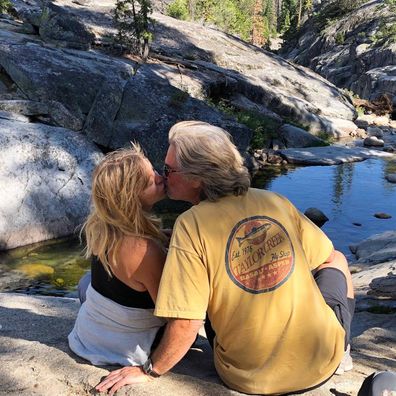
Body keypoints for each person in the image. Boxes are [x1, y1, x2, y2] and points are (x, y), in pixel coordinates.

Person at [96, 121, 380, 395]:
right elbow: (326, 256)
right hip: (321, 364)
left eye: (169, 169)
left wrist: (149, 371)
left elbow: (186, 323)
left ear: (196, 177)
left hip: (246, 377)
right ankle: (342, 352)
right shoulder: (274, 202)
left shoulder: (191, 224)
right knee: (338, 259)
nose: (163, 175)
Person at [68, 143, 168, 366]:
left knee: (86, 282)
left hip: (89, 335)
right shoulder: (145, 250)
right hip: (128, 345)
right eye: (151, 180)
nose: (161, 177)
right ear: (131, 196)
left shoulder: (101, 228)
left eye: (155, 170)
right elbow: (169, 312)